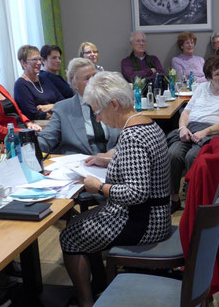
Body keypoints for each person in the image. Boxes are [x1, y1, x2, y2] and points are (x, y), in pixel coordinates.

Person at [59, 71, 170, 307]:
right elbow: (142, 163)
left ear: (114, 104)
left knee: (70, 236)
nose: (97, 119)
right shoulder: (147, 123)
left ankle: (86, 301)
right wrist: (108, 161)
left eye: (97, 111)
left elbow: (136, 193)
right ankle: (98, 284)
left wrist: (98, 186)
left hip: (143, 221)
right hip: (156, 214)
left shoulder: (131, 136)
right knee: (79, 223)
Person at [167, 56, 219, 211]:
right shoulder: (202, 88)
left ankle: (192, 200)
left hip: (217, 132)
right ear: (209, 77)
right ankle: (173, 198)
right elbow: (186, 113)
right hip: (192, 128)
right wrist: (182, 128)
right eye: (217, 74)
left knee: (193, 156)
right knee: (172, 154)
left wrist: (206, 132)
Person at [38, 58, 120, 155]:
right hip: (79, 165)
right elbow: (48, 139)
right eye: (87, 78)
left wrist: (114, 153)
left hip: (113, 162)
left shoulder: (112, 103)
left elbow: (125, 136)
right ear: (74, 83)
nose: (94, 81)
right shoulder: (62, 109)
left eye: (95, 76)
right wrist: (28, 146)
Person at [14, 45, 65, 120]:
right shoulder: (21, 84)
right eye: (35, 59)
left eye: (40, 59)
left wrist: (52, 106)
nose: (39, 63)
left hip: (56, 121)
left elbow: (63, 103)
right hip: (39, 126)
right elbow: (33, 114)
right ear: (23, 63)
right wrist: (56, 112)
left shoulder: (45, 80)